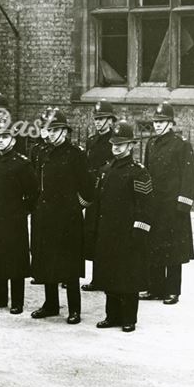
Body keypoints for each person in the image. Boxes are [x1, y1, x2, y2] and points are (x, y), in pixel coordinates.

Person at [29, 109, 93, 324]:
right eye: (49, 129)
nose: (52, 134)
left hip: (67, 218)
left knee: (69, 265)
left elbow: (88, 188)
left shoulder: (75, 154)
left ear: (65, 132)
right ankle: (50, 304)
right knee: (47, 261)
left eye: (57, 130)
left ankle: (74, 309)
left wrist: (76, 208)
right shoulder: (40, 152)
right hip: (45, 216)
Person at [91, 121, 152, 332]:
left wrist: (139, 232)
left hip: (128, 233)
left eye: (121, 144)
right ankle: (112, 316)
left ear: (131, 145)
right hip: (108, 232)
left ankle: (128, 318)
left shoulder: (139, 172)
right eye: (114, 143)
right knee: (109, 274)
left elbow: (145, 207)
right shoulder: (106, 170)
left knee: (128, 277)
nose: (116, 147)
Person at [0, 123, 38, 315]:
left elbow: (33, 192)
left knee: (14, 261)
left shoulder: (22, 163)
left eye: (5, 137)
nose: (1, 141)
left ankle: (17, 301)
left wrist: (22, 211)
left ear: (12, 139)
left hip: (13, 219)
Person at [142, 102, 194, 305]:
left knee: (173, 251)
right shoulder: (151, 144)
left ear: (171, 123)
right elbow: (146, 173)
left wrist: (182, 206)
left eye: (162, 122)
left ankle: (172, 290)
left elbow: (189, 177)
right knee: (154, 247)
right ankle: (155, 288)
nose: (157, 125)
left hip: (173, 208)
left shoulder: (181, 145)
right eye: (156, 122)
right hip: (155, 206)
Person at [82, 100, 116, 291]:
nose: (98, 122)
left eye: (102, 119)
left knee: (107, 235)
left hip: (109, 192)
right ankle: (97, 278)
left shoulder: (115, 140)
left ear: (110, 121)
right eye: (96, 119)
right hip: (93, 192)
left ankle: (108, 277)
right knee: (93, 233)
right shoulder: (92, 141)